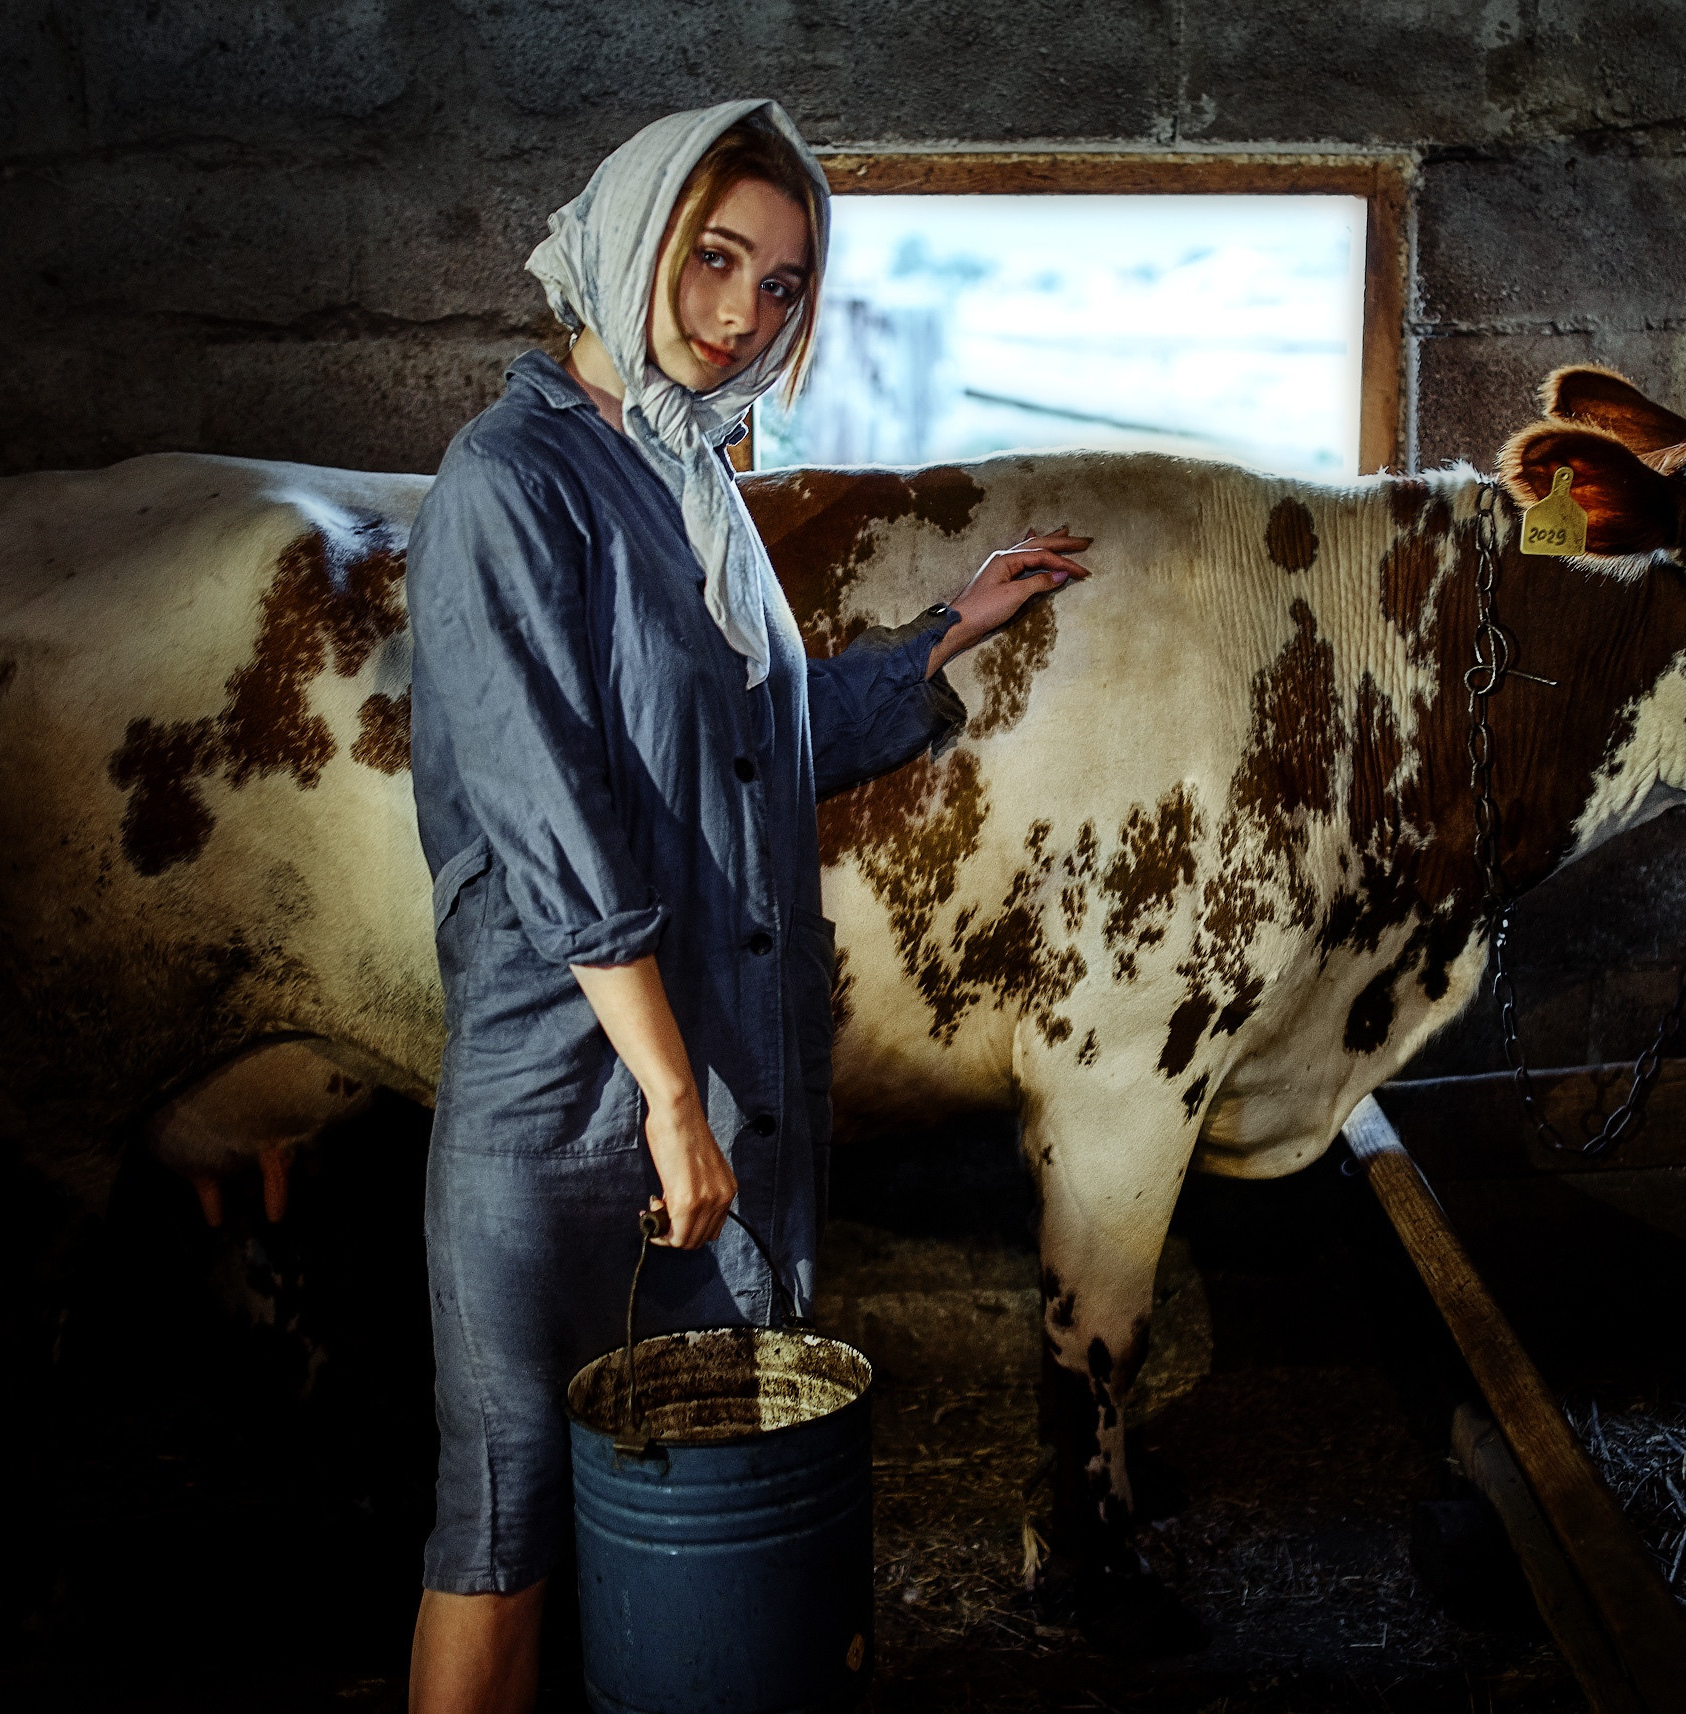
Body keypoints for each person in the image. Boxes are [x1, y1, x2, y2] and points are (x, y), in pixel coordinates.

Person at [401, 99, 1091, 1713]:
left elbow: (755, 742)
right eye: (715, 259)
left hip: (689, 1085)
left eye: (783, 286)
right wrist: (668, 1103)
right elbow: (555, 825)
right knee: (502, 1521)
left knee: (688, 1515)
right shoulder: (513, 482)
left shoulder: (687, 478)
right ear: (634, 236)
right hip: (572, 1099)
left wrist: (943, 630)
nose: (741, 313)